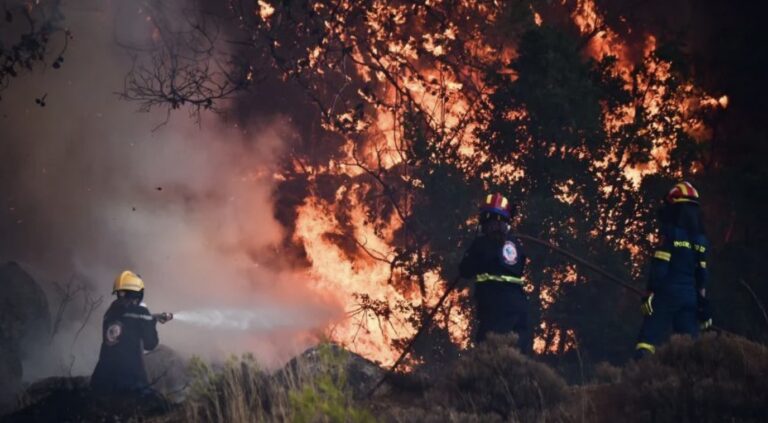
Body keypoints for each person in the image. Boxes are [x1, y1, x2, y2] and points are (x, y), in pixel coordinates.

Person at [635, 182, 712, 358]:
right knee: (689, 348)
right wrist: (702, 305)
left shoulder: (670, 233)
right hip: (690, 300)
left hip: (667, 295)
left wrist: (649, 293)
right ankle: (688, 382)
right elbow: (702, 276)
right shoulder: (700, 240)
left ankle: (639, 378)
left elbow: (660, 267)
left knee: (647, 340)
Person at [459, 193, 530, 352]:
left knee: (488, 353)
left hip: (495, 305)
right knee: (519, 356)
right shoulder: (516, 244)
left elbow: (465, 270)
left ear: (486, 220)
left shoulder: (483, 243)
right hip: (520, 306)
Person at [90, 270, 172, 393]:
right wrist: (149, 319)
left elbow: (128, 325)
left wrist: (151, 318)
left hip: (101, 381)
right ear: (138, 294)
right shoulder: (141, 312)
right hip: (130, 381)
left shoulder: (110, 312)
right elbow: (151, 344)